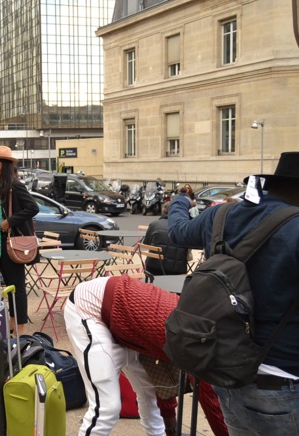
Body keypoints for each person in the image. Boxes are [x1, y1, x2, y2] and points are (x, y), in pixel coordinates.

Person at [168, 151, 299, 435]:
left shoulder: (220, 214)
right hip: (284, 385)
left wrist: (179, 200)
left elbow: (178, 232)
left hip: (226, 374)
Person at [64, 275, 228, 436]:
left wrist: (171, 428)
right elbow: (212, 404)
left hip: (126, 318)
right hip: (89, 307)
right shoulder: (196, 343)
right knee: (107, 408)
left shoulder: (197, 326)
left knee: (149, 393)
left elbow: (163, 378)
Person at [0, 146, 39, 336]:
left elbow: (33, 207)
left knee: (17, 286)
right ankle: (12, 323)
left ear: (5, 166)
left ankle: (20, 329)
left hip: (11, 243)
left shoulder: (15, 186)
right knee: (10, 287)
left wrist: (10, 221)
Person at [141, 201, 188, 275]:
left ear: (163, 210)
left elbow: (147, 243)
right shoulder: (184, 226)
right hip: (177, 270)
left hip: (153, 267)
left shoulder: (154, 224)